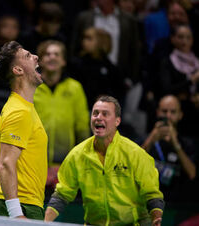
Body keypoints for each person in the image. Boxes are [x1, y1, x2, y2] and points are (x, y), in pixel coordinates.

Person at [44, 95, 164, 225]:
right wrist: (45, 222)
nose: (98, 117)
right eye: (95, 113)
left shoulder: (135, 153)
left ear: (117, 121)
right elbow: (62, 195)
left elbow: (152, 194)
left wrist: (156, 218)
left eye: (105, 114)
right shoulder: (77, 155)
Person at [0, 41, 47, 219]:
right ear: (18, 70)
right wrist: (16, 214)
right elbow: (5, 163)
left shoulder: (25, 108)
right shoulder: (19, 111)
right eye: (28, 56)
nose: (36, 57)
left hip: (28, 204)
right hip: (21, 207)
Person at [33, 40, 90, 188]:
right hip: (34, 164)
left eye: (56, 54)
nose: (52, 57)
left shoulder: (75, 88)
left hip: (65, 165)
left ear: (63, 61)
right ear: (40, 61)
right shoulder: (31, 86)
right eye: (47, 54)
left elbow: (82, 126)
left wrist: (81, 161)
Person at [142, 95, 196, 199]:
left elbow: (192, 173)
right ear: (158, 112)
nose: (168, 115)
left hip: (178, 204)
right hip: (148, 202)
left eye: (173, 112)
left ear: (180, 115)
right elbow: (131, 166)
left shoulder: (188, 144)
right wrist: (151, 140)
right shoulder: (145, 140)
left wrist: (176, 145)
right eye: (164, 111)